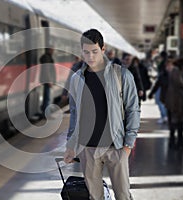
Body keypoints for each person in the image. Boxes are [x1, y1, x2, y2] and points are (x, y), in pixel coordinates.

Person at [64, 29, 140, 200]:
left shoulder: (121, 75)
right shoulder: (77, 79)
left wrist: (128, 144)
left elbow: (133, 110)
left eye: (94, 51)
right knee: (94, 196)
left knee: (123, 195)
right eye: (86, 52)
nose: (90, 57)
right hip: (87, 148)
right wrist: (71, 145)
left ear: (103, 49)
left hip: (116, 147)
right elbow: (75, 115)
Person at [164, 58, 183, 150]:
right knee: (175, 123)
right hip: (175, 102)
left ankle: (178, 142)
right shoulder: (177, 72)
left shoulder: (175, 71)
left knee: (178, 123)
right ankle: (174, 143)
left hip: (175, 101)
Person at [39, 47, 56, 116]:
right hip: (47, 80)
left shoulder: (47, 57)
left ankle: (44, 112)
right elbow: (47, 70)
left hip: (45, 80)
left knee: (46, 97)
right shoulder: (47, 58)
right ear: (49, 50)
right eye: (52, 50)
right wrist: (49, 81)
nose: (53, 51)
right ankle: (46, 114)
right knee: (47, 98)